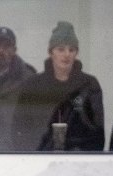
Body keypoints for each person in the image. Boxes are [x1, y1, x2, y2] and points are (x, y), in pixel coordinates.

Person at [12, 21, 104, 151]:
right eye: (61, 49)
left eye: (71, 50)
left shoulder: (89, 85)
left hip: (78, 159)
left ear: (76, 53)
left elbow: (97, 133)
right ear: (51, 52)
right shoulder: (33, 85)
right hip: (39, 157)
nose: (66, 54)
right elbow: (19, 128)